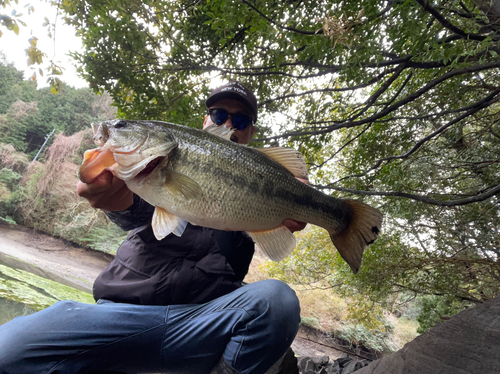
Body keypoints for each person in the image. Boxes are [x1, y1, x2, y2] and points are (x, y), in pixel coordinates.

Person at [0, 81, 305, 374]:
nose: (228, 126)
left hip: (193, 331)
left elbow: (248, 288)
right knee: (8, 351)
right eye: (220, 115)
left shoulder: (252, 214)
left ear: (251, 131)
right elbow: (134, 210)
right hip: (117, 316)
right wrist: (116, 200)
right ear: (206, 119)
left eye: (240, 120)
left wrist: (296, 200)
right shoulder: (154, 171)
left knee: (277, 300)